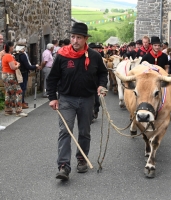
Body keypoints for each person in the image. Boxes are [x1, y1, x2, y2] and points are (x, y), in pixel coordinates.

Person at [46, 22, 108, 181]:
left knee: (84, 131)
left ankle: (82, 159)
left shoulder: (94, 56)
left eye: (78, 37)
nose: (75, 40)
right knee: (65, 131)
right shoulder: (62, 55)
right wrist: (52, 98)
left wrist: (101, 85)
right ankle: (63, 165)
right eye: (73, 37)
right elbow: (52, 78)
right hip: (66, 99)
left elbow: (102, 73)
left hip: (87, 99)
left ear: (85, 39)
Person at [1, 41, 28, 117]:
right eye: (12, 46)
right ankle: (19, 111)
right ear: (10, 47)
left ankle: (8, 109)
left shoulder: (5, 56)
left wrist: (16, 63)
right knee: (18, 91)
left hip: (5, 75)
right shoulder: (9, 56)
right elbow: (13, 67)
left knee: (8, 92)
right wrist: (18, 65)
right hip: (10, 75)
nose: (13, 47)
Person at [15, 44, 41, 108]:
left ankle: (20, 102)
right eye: (24, 48)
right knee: (22, 88)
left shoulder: (15, 55)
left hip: (17, 73)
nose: (24, 50)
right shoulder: (23, 55)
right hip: (23, 73)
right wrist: (35, 66)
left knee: (19, 88)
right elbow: (28, 66)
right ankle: (21, 103)